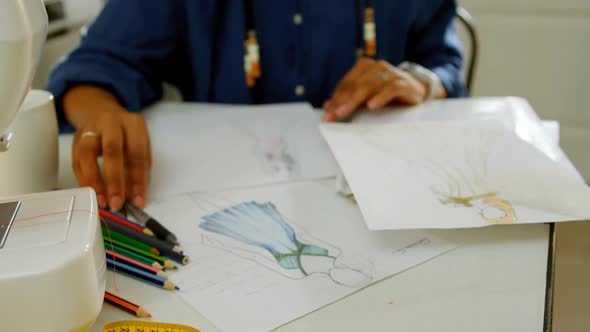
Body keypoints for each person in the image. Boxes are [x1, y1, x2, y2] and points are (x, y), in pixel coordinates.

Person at [47, 0, 466, 211]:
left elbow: (444, 65)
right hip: (220, 201)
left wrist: (421, 81)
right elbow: (94, 66)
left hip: (382, 203)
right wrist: (99, 113)